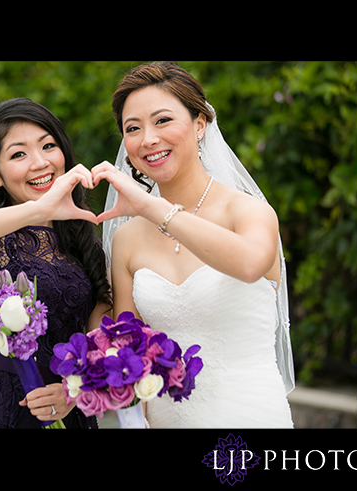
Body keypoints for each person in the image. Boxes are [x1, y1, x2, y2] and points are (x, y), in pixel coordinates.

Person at [92, 61, 294, 428]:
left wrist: (154, 208)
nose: (148, 138)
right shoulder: (127, 239)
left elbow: (250, 264)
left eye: (163, 120)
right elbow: (127, 351)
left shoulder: (249, 212)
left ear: (200, 124)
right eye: (132, 128)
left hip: (251, 417)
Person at [0, 98, 110, 428]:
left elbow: (100, 333)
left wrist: (74, 390)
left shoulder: (85, 240)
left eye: (48, 146)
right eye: (19, 154)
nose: (40, 162)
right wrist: (39, 210)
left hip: (62, 408)